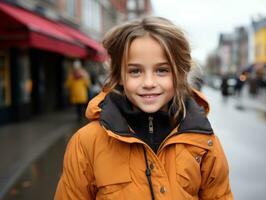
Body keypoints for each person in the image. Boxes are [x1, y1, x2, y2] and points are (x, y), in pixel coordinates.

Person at [55, 17, 233, 200]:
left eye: (162, 70)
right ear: (120, 76)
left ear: (180, 74)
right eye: (135, 71)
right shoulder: (86, 144)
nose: (149, 83)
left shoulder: (203, 142)